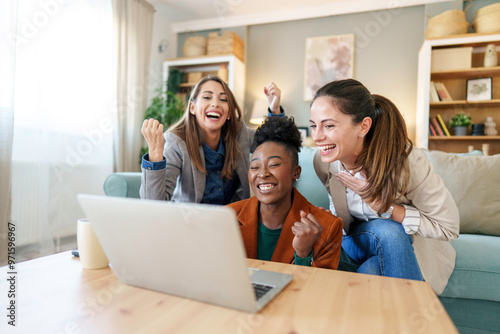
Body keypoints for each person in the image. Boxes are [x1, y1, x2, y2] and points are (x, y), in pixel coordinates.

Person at [310, 78, 459, 293]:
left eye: (329, 125)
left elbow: (449, 227)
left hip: (404, 247)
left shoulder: (406, 163)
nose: (317, 136)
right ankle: (418, 322)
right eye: (314, 125)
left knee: (377, 260)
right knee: (388, 233)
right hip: (358, 240)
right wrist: (326, 221)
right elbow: (342, 222)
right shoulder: (323, 163)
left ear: (363, 126)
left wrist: (384, 206)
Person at [140, 76, 283, 204]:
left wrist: (274, 109)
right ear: (192, 108)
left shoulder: (239, 133)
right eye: (207, 97)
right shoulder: (176, 142)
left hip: (232, 221)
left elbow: (274, 146)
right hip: (189, 223)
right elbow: (153, 203)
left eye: (223, 99)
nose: (215, 103)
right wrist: (155, 154)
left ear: (228, 112)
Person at [227, 116, 343, 269]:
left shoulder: (328, 227)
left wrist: (303, 254)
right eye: (255, 167)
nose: (262, 174)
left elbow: (320, 290)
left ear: (296, 172)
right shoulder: (227, 217)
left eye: (273, 164)